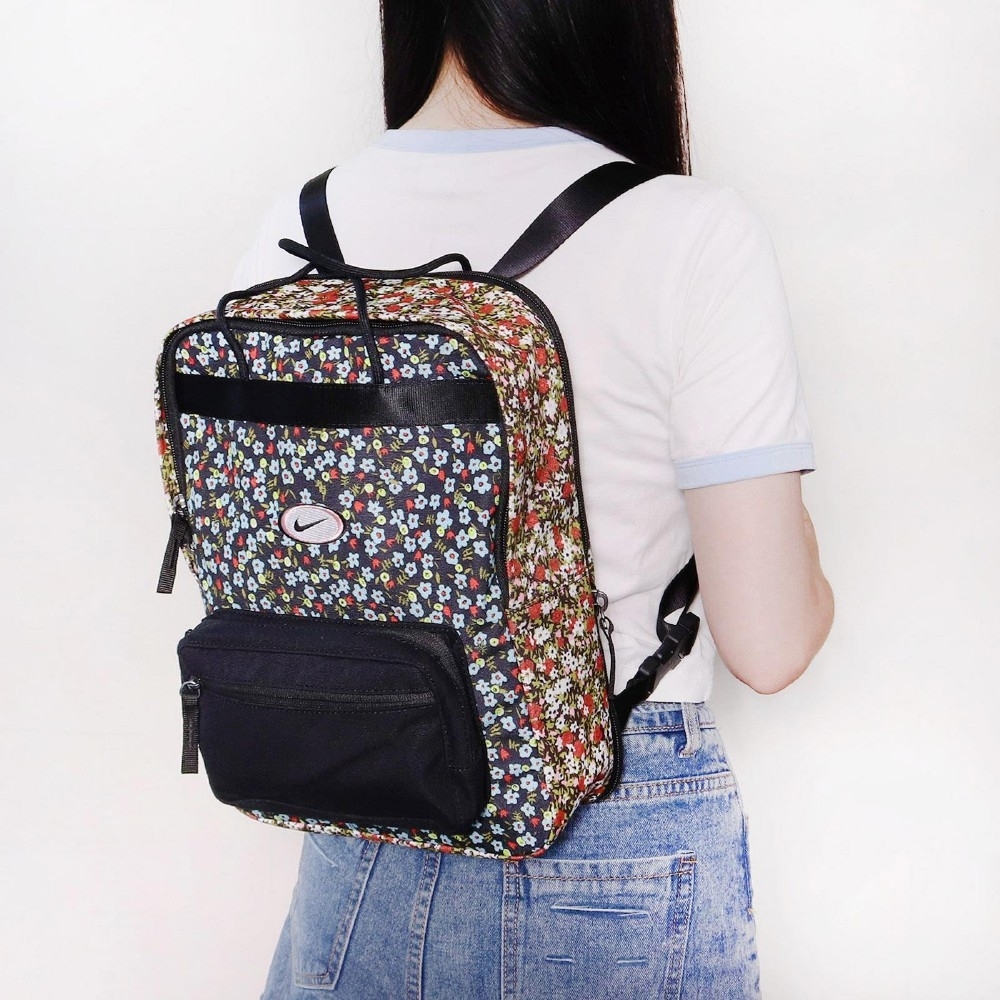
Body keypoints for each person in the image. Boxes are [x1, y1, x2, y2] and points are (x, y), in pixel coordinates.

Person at [236, 3, 834, 997]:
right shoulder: (687, 228)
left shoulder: (302, 223)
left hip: (360, 818)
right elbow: (771, 645)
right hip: (605, 814)